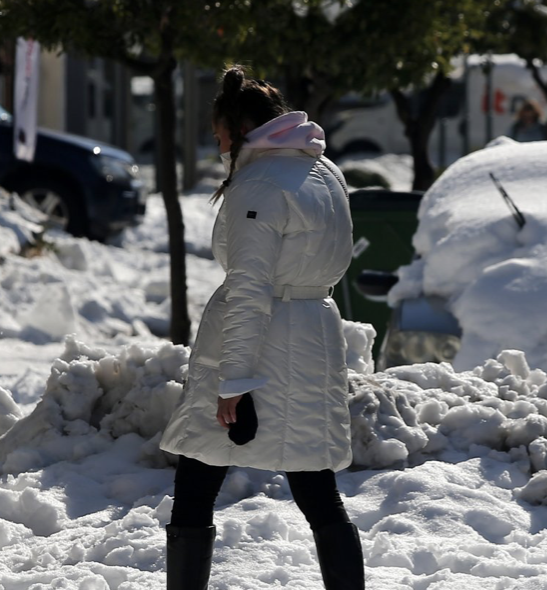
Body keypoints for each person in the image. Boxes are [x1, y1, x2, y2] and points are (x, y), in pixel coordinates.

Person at [158, 65, 363, 590]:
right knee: (316, 487)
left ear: (237, 128)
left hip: (263, 343)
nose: (218, 144)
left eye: (219, 134)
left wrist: (234, 380)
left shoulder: (259, 183)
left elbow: (249, 287)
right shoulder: (323, 172)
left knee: (198, 475)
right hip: (313, 334)